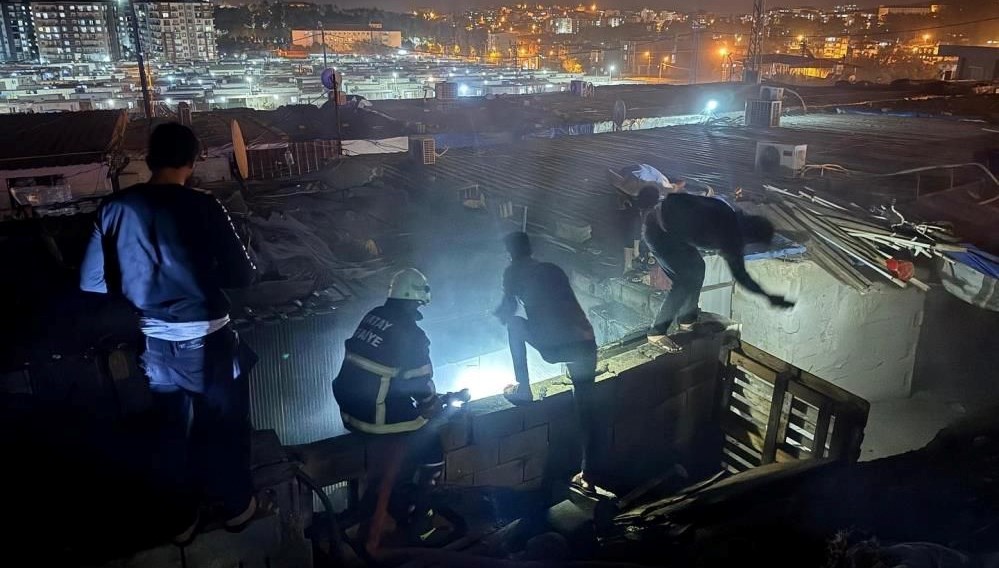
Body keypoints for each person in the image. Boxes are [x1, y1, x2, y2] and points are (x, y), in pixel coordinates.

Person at [80, 123, 258, 544]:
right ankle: (236, 509)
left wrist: (139, 282)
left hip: (155, 344)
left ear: (148, 158)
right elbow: (242, 275)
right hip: (209, 342)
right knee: (225, 427)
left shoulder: (114, 208)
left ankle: (180, 523)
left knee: (169, 431)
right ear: (193, 161)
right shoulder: (206, 205)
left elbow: (90, 281)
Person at [332, 268, 444, 538]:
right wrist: (432, 402)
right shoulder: (412, 334)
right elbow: (420, 381)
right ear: (415, 300)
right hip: (376, 416)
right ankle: (415, 512)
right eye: (419, 303)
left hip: (349, 411)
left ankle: (394, 501)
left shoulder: (374, 316)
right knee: (431, 445)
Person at [493, 232, 599, 490]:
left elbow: (507, 312)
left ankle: (524, 388)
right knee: (586, 408)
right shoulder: (552, 268)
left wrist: (496, 313)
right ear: (531, 249)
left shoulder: (512, 272)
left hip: (556, 347)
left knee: (515, 326)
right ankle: (590, 473)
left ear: (510, 253)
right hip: (586, 343)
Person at [643, 192, 795, 352]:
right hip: (658, 231)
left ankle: (687, 320)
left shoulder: (726, 209)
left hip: (674, 232)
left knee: (698, 269)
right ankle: (657, 332)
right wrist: (768, 296)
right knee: (685, 280)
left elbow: (678, 197)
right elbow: (742, 277)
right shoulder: (731, 238)